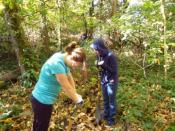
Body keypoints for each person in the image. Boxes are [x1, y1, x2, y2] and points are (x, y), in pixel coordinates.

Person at [31, 42, 86, 131]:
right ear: (70, 56)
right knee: (41, 127)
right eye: (75, 63)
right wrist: (77, 100)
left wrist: (75, 94)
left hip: (39, 99)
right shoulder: (57, 64)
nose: (75, 66)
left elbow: (69, 77)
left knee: (38, 124)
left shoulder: (62, 58)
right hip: (42, 101)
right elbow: (65, 86)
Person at [90, 38, 118, 126]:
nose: (95, 51)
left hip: (111, 81)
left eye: (95, 49)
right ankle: (106, 115)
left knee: (111, 101)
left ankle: (111, 119)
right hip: (104, 80)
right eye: (94, 49)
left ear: (100, 47)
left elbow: (114, 71)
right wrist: (97, 65)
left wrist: (104, 65)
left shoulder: (111, 56)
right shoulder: (99, 55)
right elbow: (101, 69)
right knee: (105, 99)